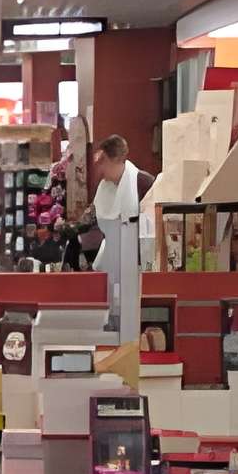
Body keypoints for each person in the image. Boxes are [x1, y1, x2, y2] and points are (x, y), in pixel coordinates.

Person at [87, 133, 150, 338]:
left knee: (131, 315)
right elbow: (93, 221)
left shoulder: (142, 183)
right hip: (112, 261)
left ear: (115, 160)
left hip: (136, 265)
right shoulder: (104, 189)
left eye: (103, 162)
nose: (100, 169)